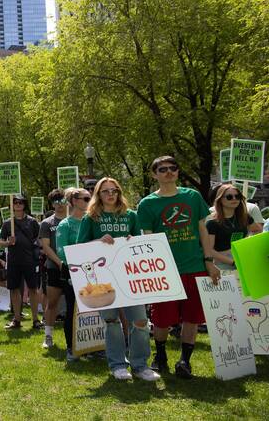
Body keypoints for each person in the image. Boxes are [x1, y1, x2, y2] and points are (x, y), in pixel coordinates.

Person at [136, 156, 220, 379]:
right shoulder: (147, 204)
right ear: (154, 175)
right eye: (162, 169)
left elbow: (203, 230)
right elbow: (148, 238)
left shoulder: (192, 197)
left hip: (194, 266)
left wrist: (209, 261)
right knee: (163, 318)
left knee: (192, 317)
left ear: (178, 171)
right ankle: (160, 355)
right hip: (165, 271)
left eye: (173, 168)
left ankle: (185, 361)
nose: (169, 172)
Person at [77, 178, 160, 381]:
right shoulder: (91, 218)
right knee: (112, 321)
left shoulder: (131, 215)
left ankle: (140, 366)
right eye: (105, 191)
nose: (110, 194)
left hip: (130, 276)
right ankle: (118, 365)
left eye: (114, 190)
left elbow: (140, 241)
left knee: (140, 320)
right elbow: (79, 248)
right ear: (98, 194)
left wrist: (134, 241)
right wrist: (98, 241)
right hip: (104, 279)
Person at [54, 187, 90, 362]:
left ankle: (94, 346)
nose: (89, 201)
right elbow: (61, 251)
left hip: (93, 270)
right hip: (72, 271)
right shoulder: (65, 225)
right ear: (74, 201)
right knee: (72, 308)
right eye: (86, 198)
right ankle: (71, 347)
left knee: (93, 308)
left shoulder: (92, 221)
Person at [0, 196, 42, 330]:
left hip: (30, 260)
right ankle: (17, 319)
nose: (18, 205)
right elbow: (0, 243)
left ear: (24, 205)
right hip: (13, 261)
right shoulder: (7, 223)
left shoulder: (32, 222)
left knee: (33, 289)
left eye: (20, 202)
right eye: (15, 203)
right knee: (14, 290)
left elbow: (39, 240)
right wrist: (8, 242)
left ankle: (35, 320)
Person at [39, 189, 70, 350]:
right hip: (54, 267)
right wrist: (60, 263)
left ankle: (78, 340)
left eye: (62, 200)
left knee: (77, 304)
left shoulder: (76, 219)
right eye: (56, 201)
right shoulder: (47, 223)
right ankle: (48, 335)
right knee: (52, 303)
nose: (59, 204)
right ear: (52, 204)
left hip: (76, 268)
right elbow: (46, 246)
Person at [205, 184, 262, 271]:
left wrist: (246, 244)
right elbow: (209, 250)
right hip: (222, 265)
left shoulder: (245, 217)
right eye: (229, 197)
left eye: (237, 196)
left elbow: (258, 231)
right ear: (220, 199)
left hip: (243, 261)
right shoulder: (212, 222)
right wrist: (232, 261)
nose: (234, 199)